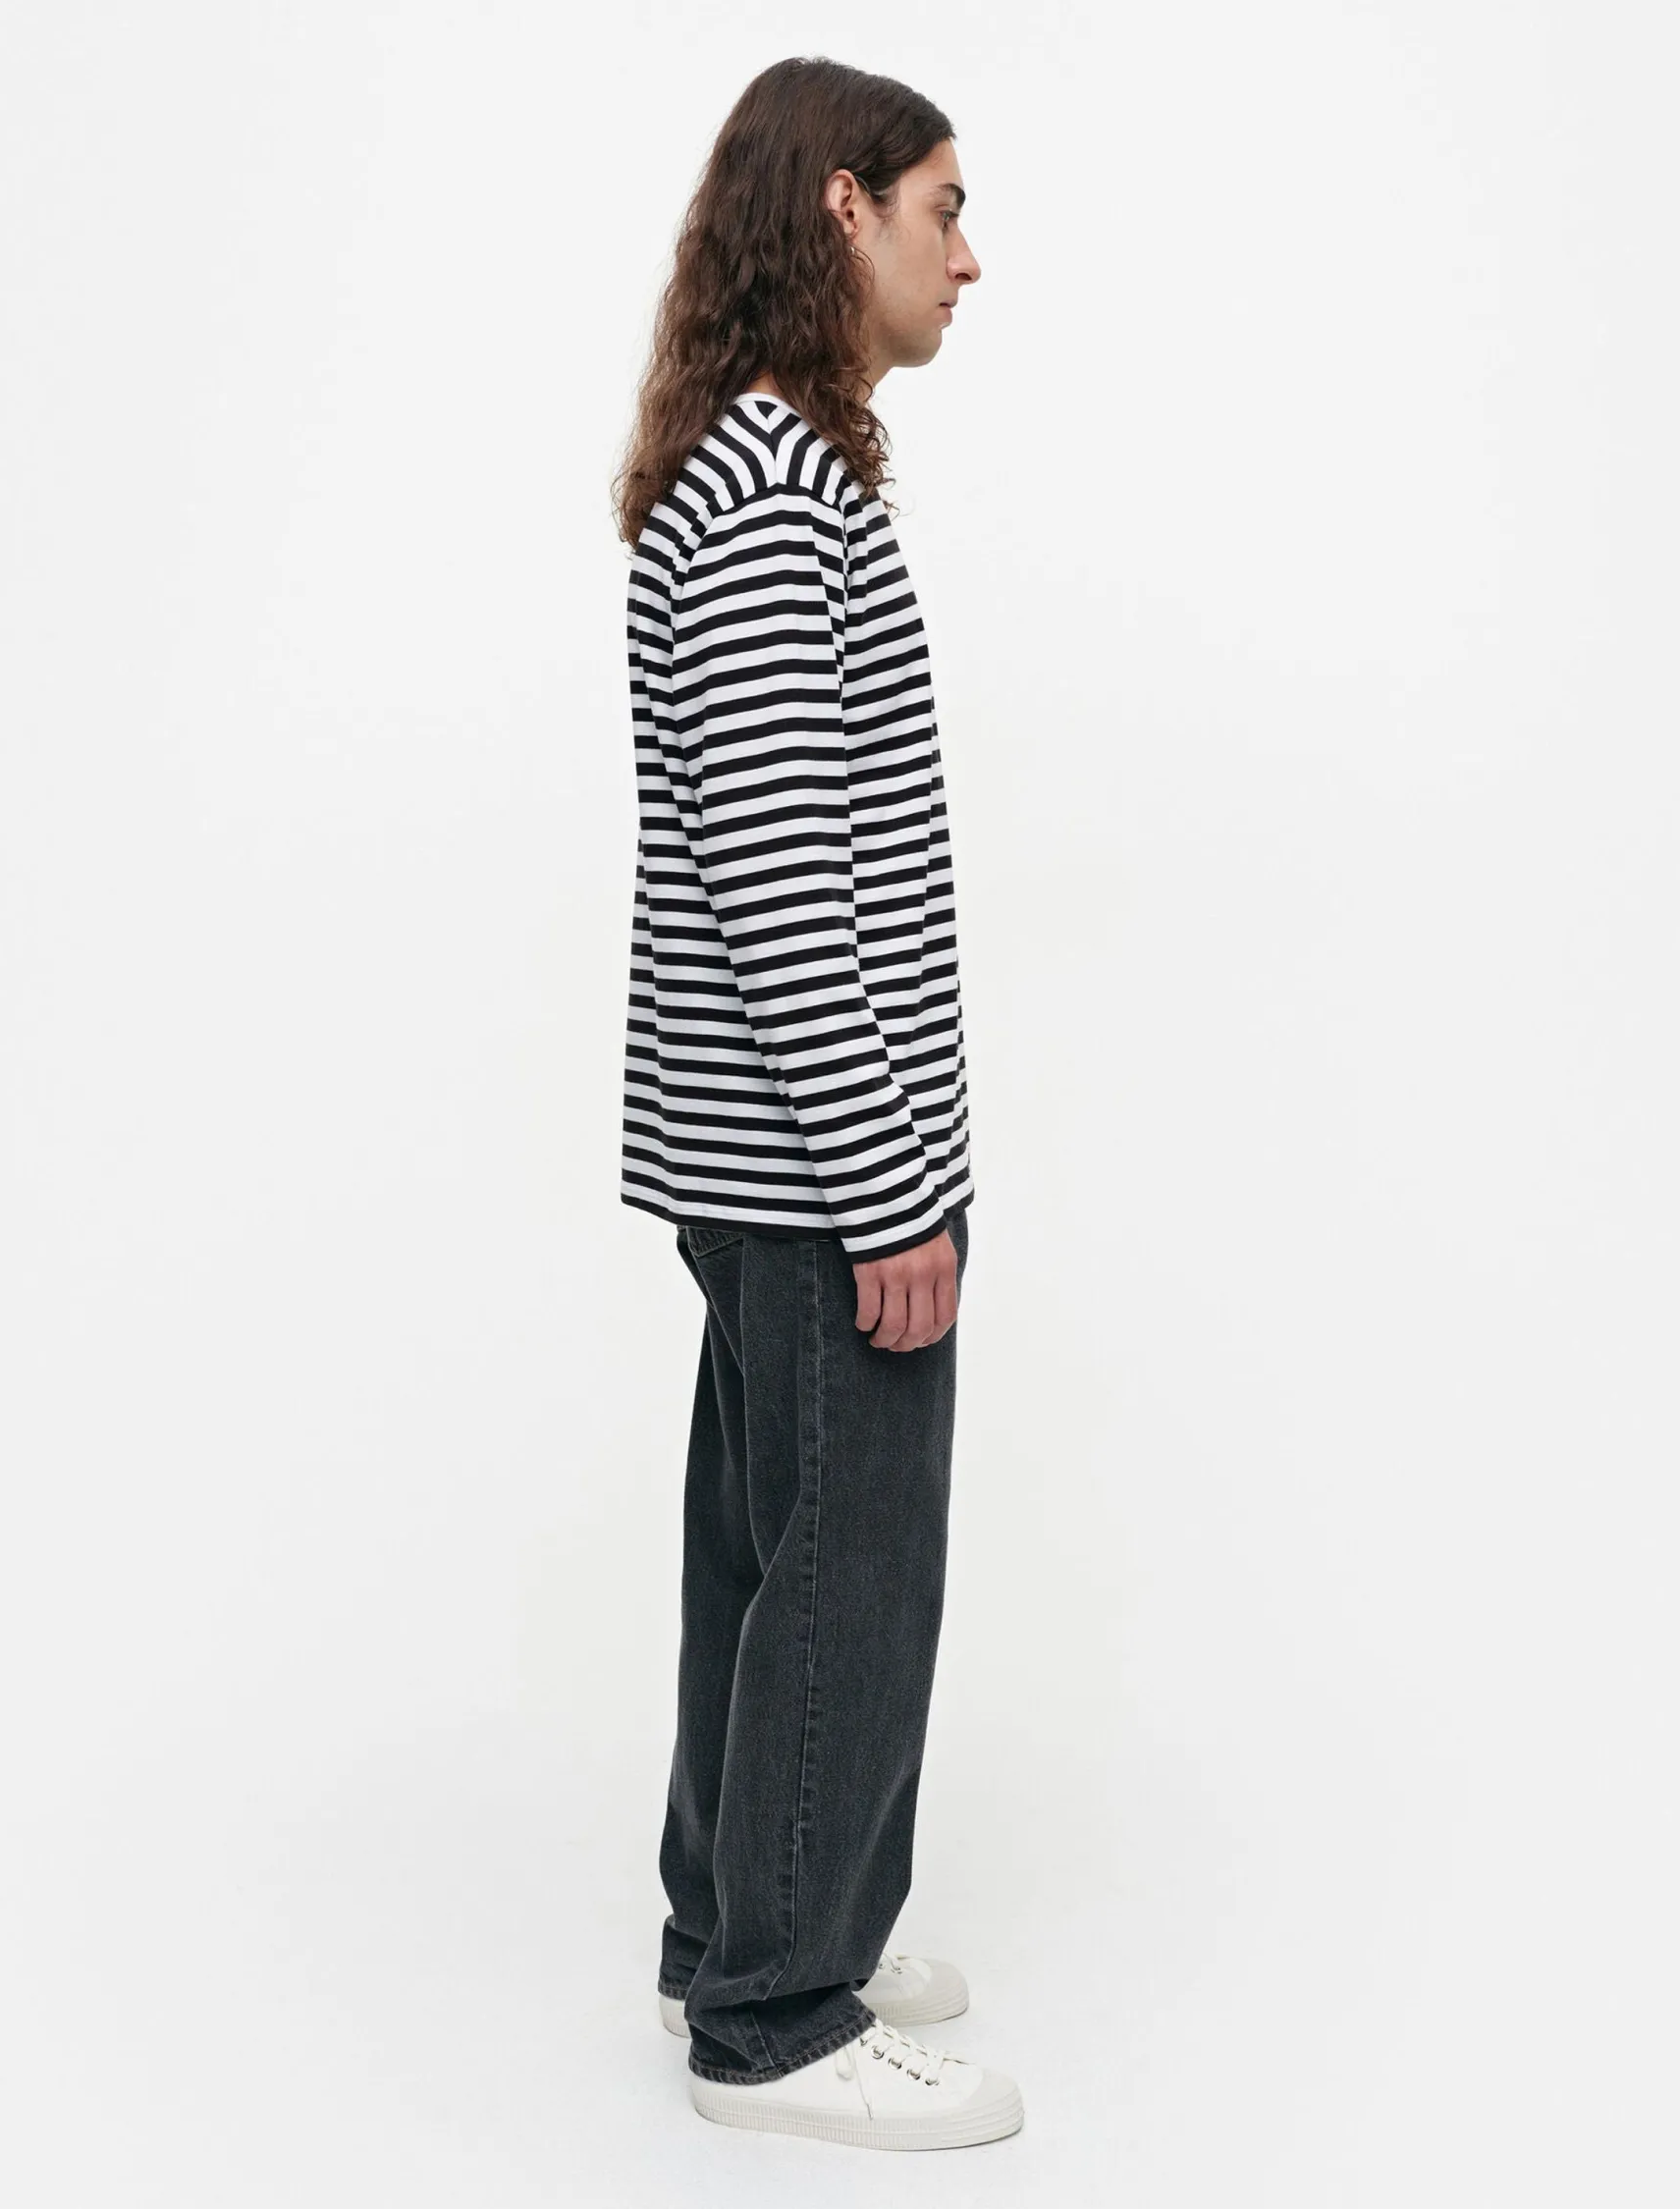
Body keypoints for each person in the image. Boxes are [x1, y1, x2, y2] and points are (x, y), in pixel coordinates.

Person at [610, 57, 1020, 2152]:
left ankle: (743, 1921)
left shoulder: (758, 469)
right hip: (811, 1164)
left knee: (771, 1548)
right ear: (841, 207)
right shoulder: (771, 497)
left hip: (767, 1156)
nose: (972, 255)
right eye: (944, 208)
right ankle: (776, 2016)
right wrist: (892, 1194)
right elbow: (785, 885)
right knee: (848, 1561)